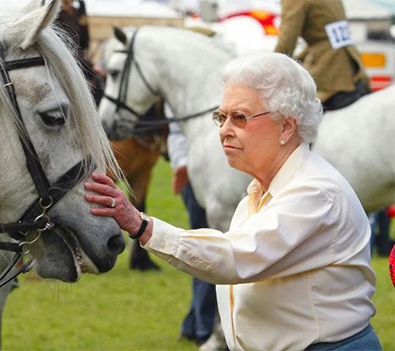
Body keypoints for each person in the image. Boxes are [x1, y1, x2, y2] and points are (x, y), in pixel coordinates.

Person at [84, 53, 381, 350]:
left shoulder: (316, 192)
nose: (225, 130)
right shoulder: (259, 193)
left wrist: (140, 225)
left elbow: (232, 259)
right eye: (221, 117)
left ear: (287, 127)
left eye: (240, 117)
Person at [167, 113, 222, 350]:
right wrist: (181, 163)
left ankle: (196, 323)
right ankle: (203, 326)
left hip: (214, 172)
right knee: (205, 246)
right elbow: (177, 128)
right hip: (195, 174)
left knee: (208, 247)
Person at [274, 0, 370, 111]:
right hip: (350, 64)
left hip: (328, 70)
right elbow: (324, 36)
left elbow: (286, 44)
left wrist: (267, 71)